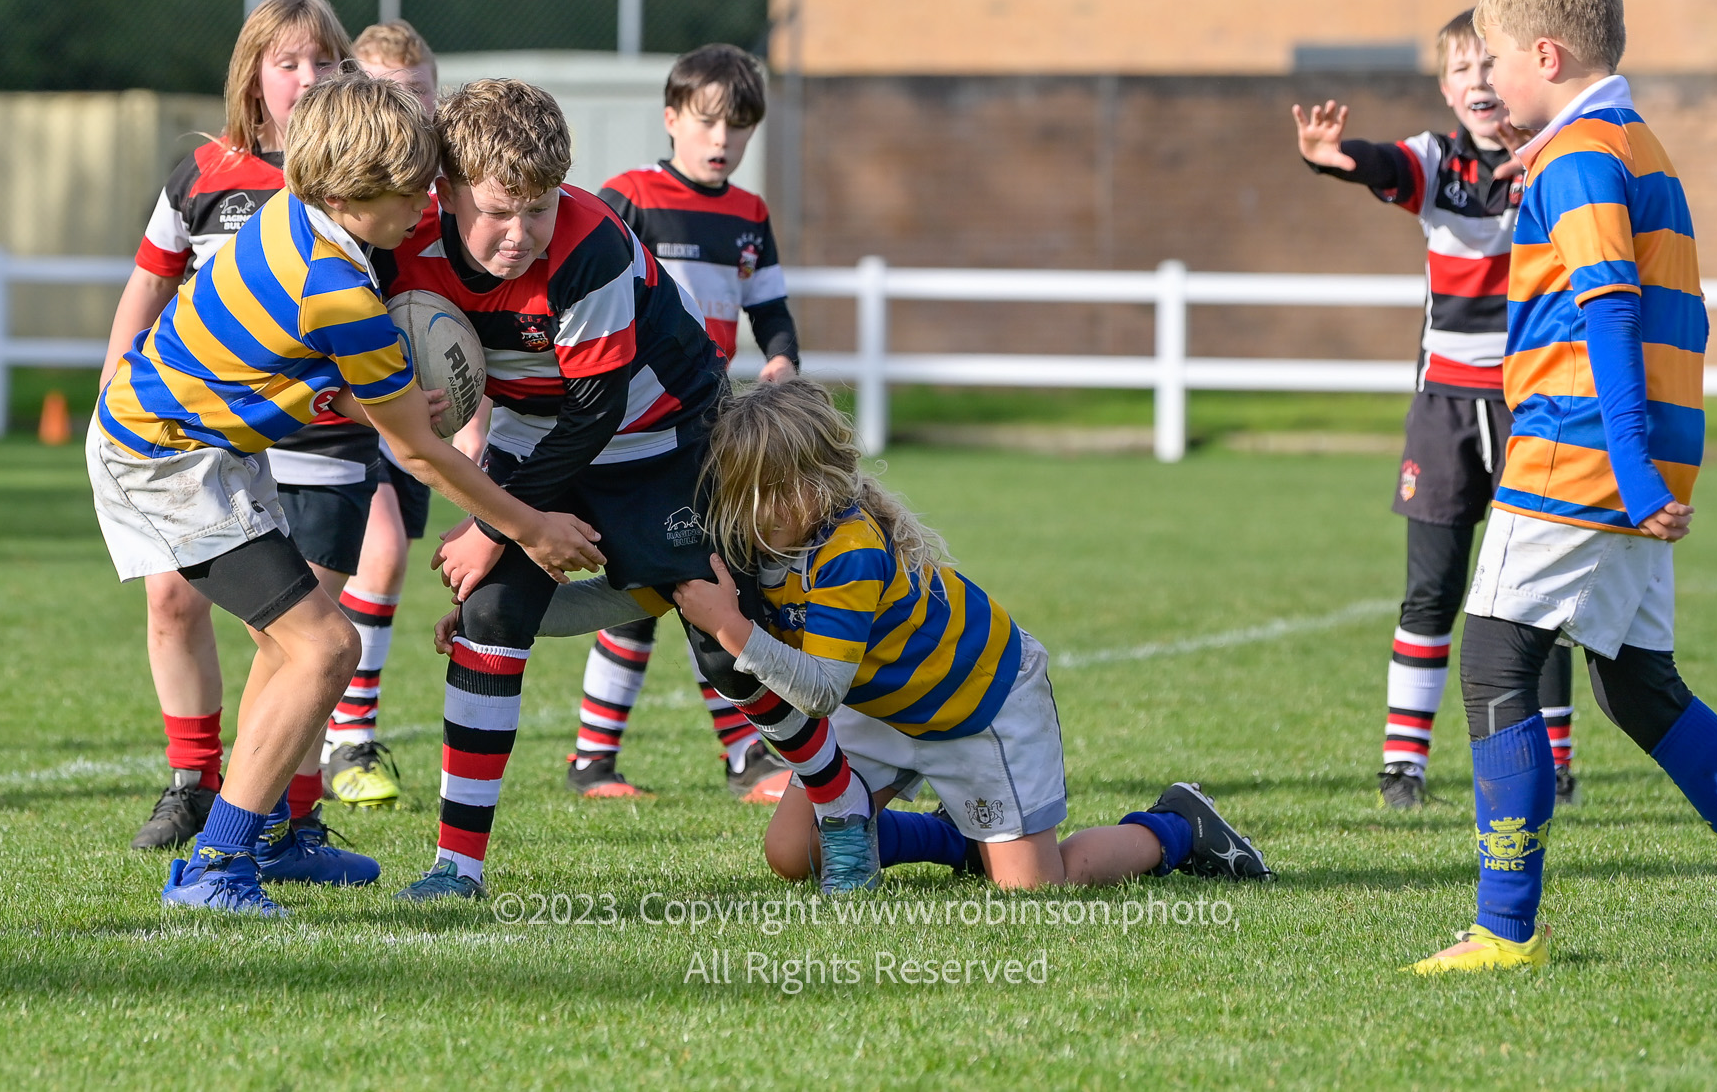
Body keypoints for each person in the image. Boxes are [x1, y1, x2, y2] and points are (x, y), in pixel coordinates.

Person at [1411, 0, 1717, 972]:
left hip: (1577, 451)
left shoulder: (1577, 158)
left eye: (1494, 58)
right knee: (1638, 686)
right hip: (1629, 452)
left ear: (1547, 56)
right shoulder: (1628, 141)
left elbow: (1608, 309)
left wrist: (1628, 462)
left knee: (1494, 660)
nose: (1484, 79)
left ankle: (1504, 929)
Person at [88, 72, 604, 914]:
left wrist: (372, 397)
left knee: (289, 644)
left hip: (200, 444)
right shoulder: (338, 290)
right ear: (344, 193)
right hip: (165, 459)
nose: (422, 207)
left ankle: (267, 837)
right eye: (407, 194)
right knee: (328, 646)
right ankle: (217, 866)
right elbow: (419, 453)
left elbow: (311, 374)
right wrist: (529, 526)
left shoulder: (291, 213)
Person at [378, 79, 881, 900]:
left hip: (663, 440)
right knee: (487, 618)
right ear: (447, 190)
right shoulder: (403, 240)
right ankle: (456, 867)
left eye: (538, 209)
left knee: (723, 640)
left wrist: (496, 527)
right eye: (498, 211)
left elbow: (594, 412)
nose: (520, 234)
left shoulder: (591, 245)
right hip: (535, 435)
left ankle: (840, 799)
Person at [530, 380, 1274, 889]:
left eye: (787, 488)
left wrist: (728, 625)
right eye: (753, 492)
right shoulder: (739, 534)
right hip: (881, 712)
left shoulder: (849, 547)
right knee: (791, 853)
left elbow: (821, 691)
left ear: (824, 479)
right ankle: (964, 839)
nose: (770, 508)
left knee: (1035, 889)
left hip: (978, 706)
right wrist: (502, 618)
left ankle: (1177, 827)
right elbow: (619, 598)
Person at [106, 0, 382, 848]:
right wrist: (119, 392)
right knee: (171, 603)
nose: (309, 77)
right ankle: (194, 784)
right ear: (251, 76)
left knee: (300, 639)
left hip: (327, 442)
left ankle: (292, 816)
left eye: (326, 60)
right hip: (205, 445)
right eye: (287, 62)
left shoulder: (362, 182)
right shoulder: (202, 174)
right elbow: (147, 291)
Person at [1294, 12, 1582, 811]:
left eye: (1491, 65)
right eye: (1462, 70)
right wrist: (1335, 158)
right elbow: (1383, 162)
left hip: (1534, 404)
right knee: (1431, 592)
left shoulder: (1556, 157)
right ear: (1447, 90)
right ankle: (1403, 767)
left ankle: (1557, 764)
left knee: (1537, 592)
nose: (1479, 82)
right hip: (1446, 409)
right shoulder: (1436, 161)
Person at [565, 44, 797, 802]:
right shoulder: (628, 198)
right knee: (654, 588)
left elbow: (771, 308)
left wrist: (782, 358)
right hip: (631, 427)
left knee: (704, 582)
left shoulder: (749, 215)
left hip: (709, 428)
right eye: (706, 121)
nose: (722, 139)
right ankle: (597, 761)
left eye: (738, 126)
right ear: (671, 118)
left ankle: (741, 756)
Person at [316, 19, 448, 809]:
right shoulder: (348, 211)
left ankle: (335, 734)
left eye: (420, 93)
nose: (409, 110)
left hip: (406, 404)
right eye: (387, 94)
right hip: (338, 412)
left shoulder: (437, 207)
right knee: (379, 552)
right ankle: (344, 738)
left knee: (372, 566)